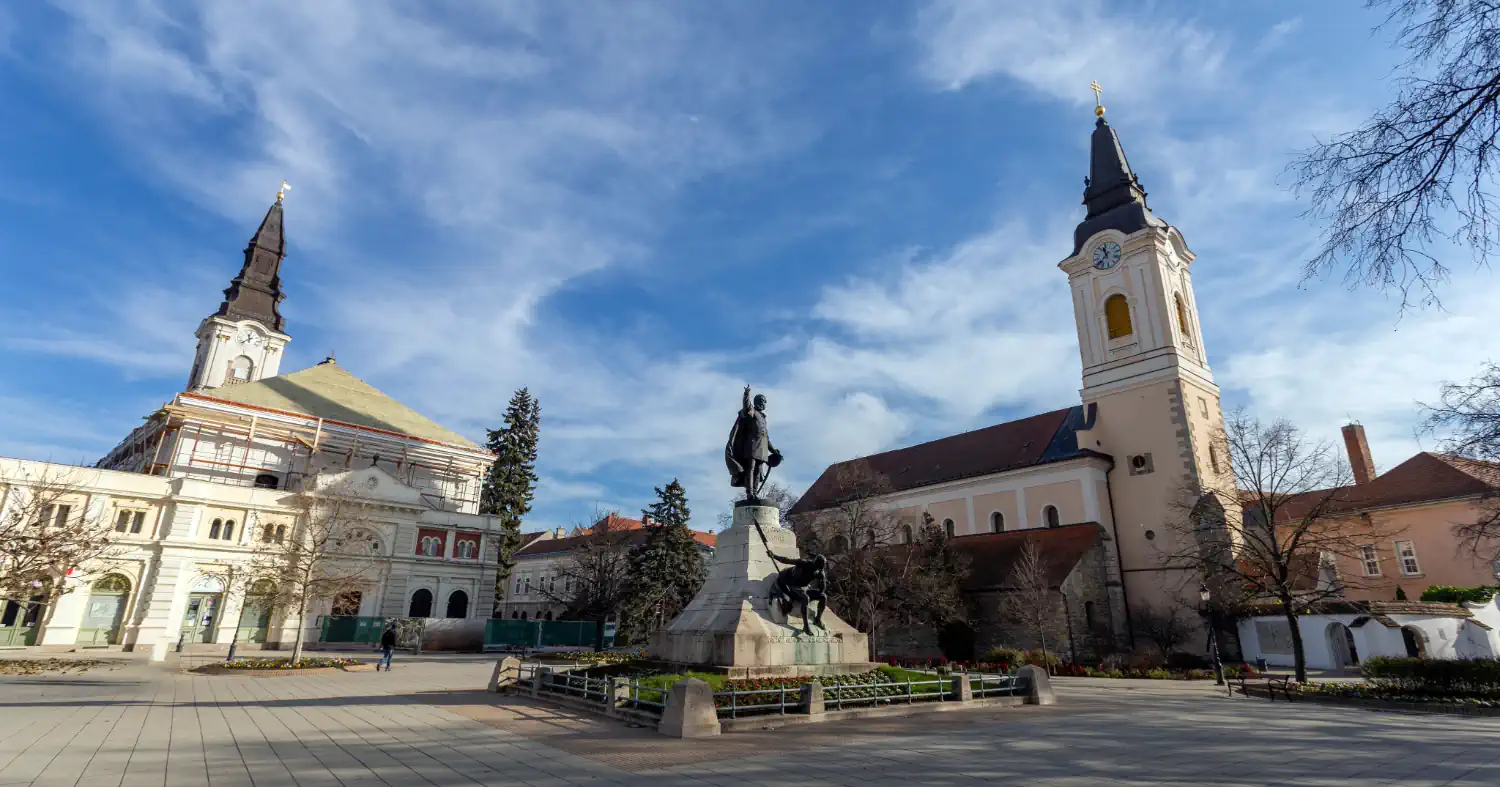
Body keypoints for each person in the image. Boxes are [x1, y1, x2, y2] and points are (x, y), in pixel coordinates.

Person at [767, 551, 827, 635]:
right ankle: (806, 626)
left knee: (823, 597)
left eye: (820, 568)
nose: (817, 570)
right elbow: (786, 560)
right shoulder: (803, 563)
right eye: (817, 567)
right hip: (789, 584)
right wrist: (773, 556)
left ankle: (817, 619)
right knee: (805, 598)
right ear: (814, 563)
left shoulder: (819, 572)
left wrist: (822, 580)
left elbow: (822, 591)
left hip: (802, 587)